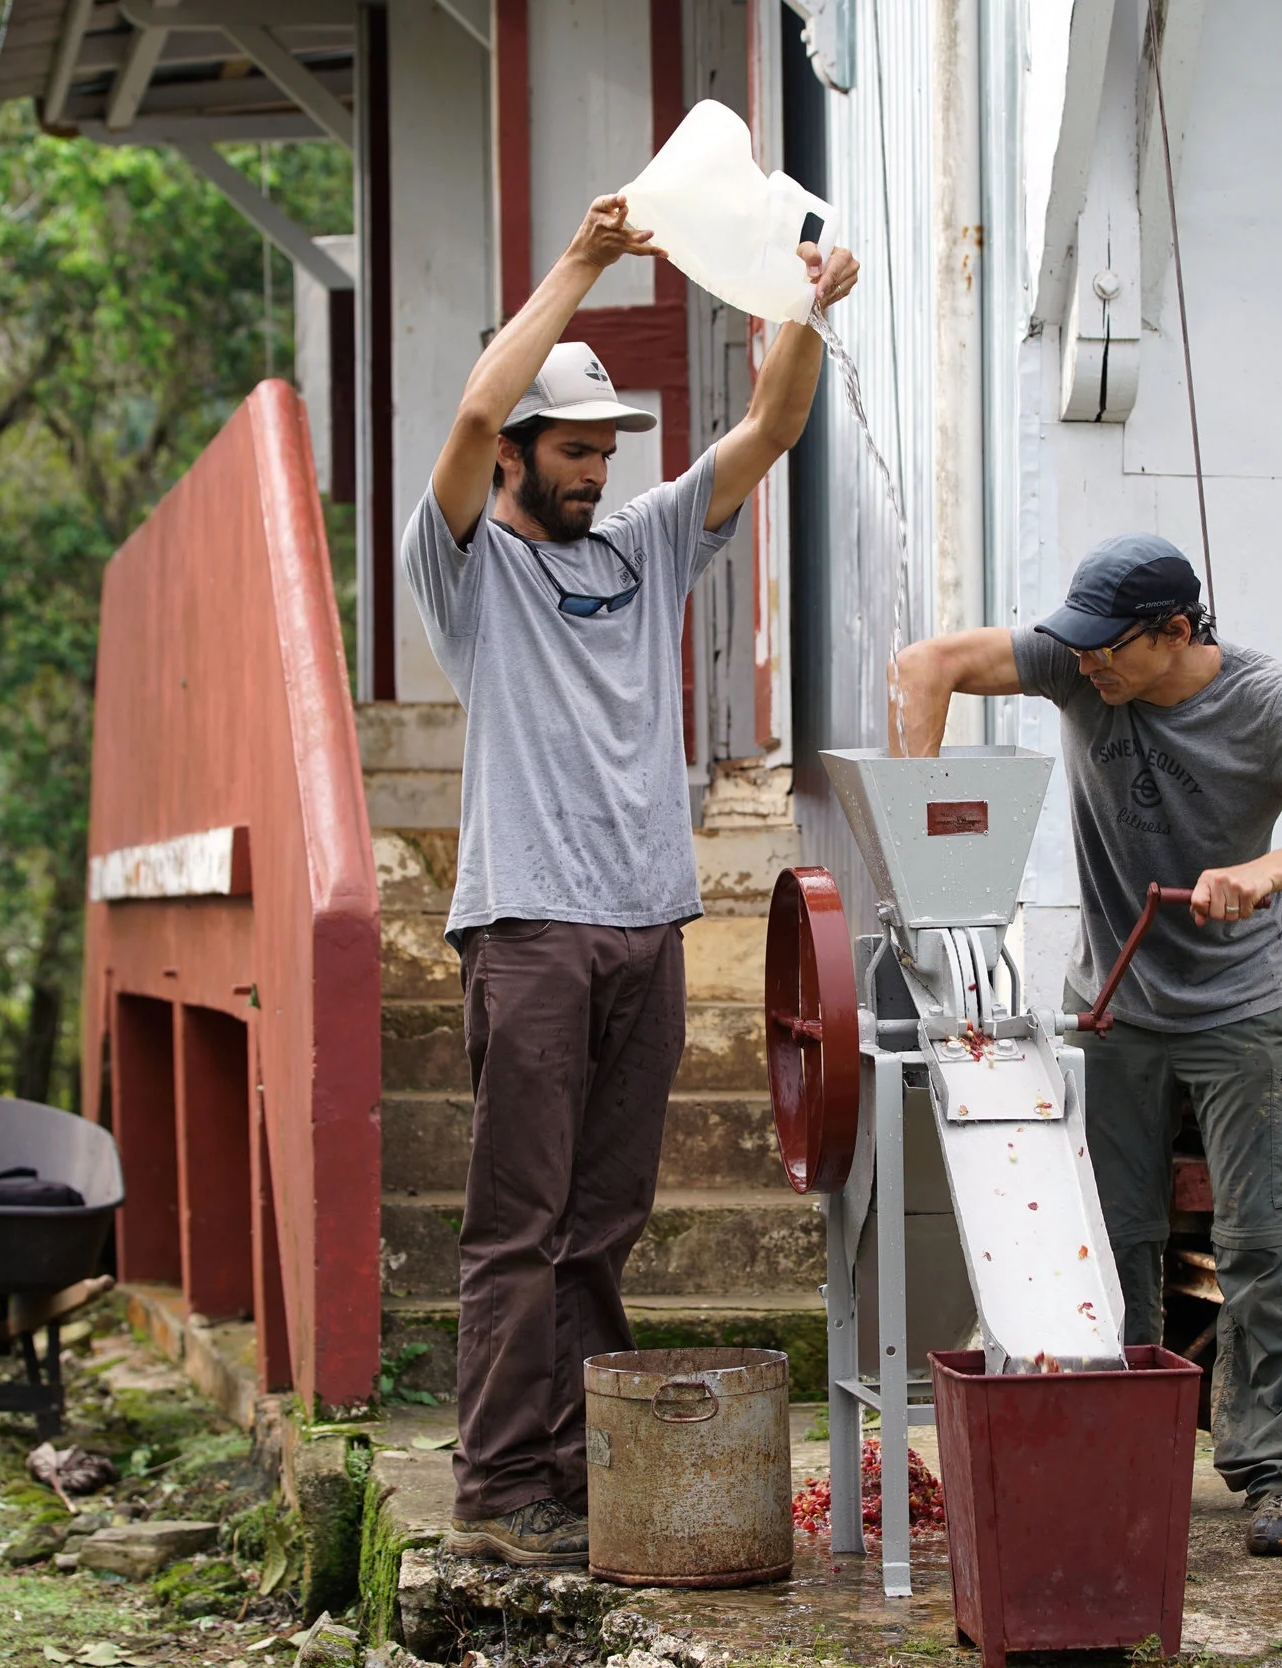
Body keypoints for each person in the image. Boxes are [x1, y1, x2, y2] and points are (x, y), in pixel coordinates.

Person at [402, 194, 858, 1567]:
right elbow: (471, 425)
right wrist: (584, 265)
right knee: (518, 1229)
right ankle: (496, 1488)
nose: (597, 471)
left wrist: (804, 306)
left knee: (603, 1224)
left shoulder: (646, 549)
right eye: (577, 451)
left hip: (645, 929)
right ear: (527, 456)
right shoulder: (468, 571)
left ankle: (581, 1464)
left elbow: (773, 428)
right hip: (530, 927)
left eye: (608, 450)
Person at [887, 534, 1282, 1556]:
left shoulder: (1269, 703)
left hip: (1237, 1010)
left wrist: (1269, 871)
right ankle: (1118, 1453)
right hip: (1112, 1005)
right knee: (1108, 1242)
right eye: (1075, 648)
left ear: (1175, 632)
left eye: (1107, 650)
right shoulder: (1084, 667)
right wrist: (924, 853)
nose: (1086, 666)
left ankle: (1281, 1471)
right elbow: (924, 667)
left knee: (1264, 1240)